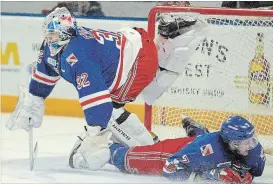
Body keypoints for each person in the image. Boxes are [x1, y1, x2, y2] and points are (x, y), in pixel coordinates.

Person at [6, 7, 207, 150]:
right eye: (47, 35)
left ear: (66, 33)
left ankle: (150, 146)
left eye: (53, 35)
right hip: (132, 42)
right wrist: (34, 99)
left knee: (110, 113)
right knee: (110, 113)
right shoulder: (56, 46)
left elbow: (98, 101)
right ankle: (166, 35)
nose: (49, 40)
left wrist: (95, 137)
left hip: (140, 61)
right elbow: (46, 71)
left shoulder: (78, 56)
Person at [71, 115, 265, 183]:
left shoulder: (253, 149)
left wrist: (244, 173)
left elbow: (255, 170)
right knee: (128, 160)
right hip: (171, 153)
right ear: (232, 143)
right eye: (246, 141)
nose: (252, 144)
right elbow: (170, 167)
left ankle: (196, 131)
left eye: (251, 139)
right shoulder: (206, 149)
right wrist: (208, 176)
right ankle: (98, 147)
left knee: (199, 142)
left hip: (196, 147)